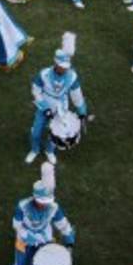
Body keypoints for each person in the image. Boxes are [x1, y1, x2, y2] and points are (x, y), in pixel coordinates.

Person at [6, 165, 75, 265]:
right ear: (34, 197)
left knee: (36, 260)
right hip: (23, 237)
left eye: (46, 201)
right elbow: (17, 225)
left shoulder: (54, 207)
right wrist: (26, 235)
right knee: (20, 262)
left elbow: (63, 224)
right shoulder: (22, 205)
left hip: (44, 237)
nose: (44, 204)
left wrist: (69, 242)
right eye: (41, 201)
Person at [26, 32, 89, 165]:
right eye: (62, 67)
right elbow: (36, 91)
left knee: (56, 132)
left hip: (61, 108)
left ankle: (50, 151)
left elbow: (77, 95)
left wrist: (82, 112)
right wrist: (44, 108)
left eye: (66, 67)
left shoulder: (72, 76)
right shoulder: (43, 74)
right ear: (55, 63)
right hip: (44, 105)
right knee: (36, 132)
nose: (64, 69)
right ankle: (35, 150)